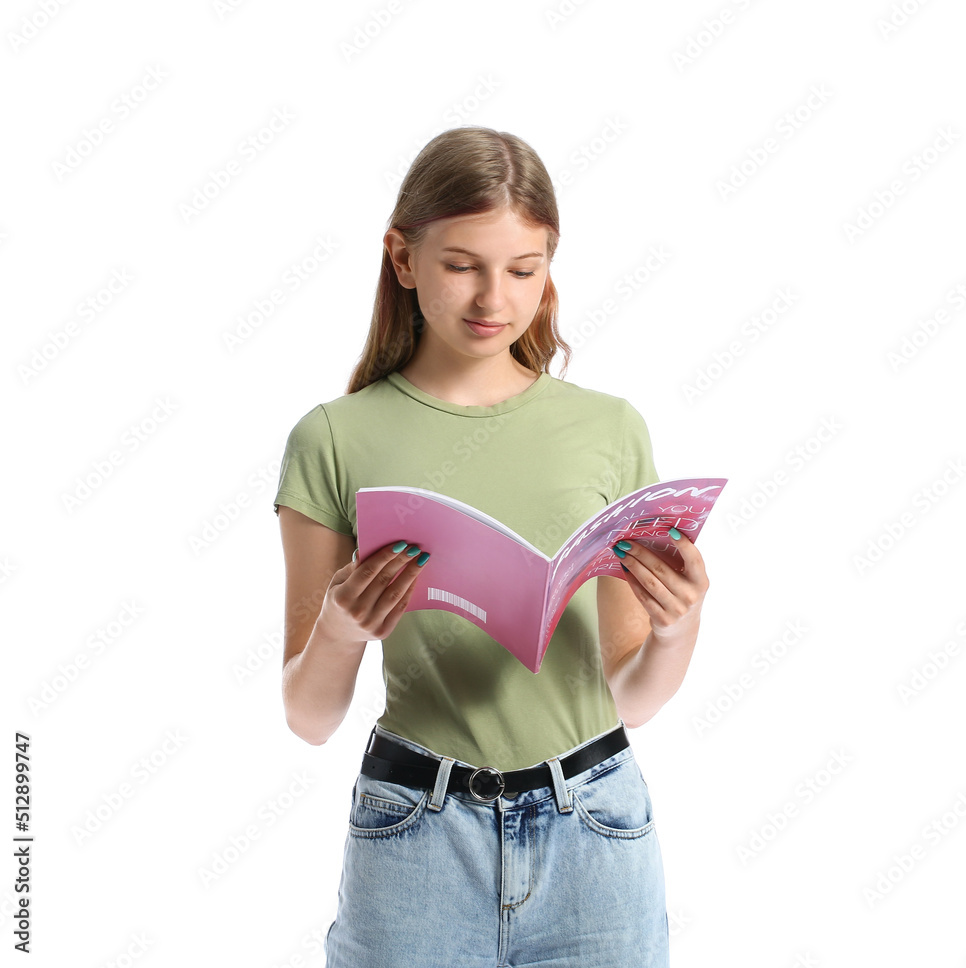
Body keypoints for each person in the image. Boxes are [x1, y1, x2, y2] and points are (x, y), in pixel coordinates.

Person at [272, 126, 710, 968]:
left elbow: (633, 699)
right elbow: (308, 716)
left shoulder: (609, 430)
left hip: (596, 828)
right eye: (461, 264)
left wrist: (677, 626)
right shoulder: (333, 439)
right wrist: (339, 629)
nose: (493, 300)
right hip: (414, 830)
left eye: (524, 269)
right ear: (403, 259)